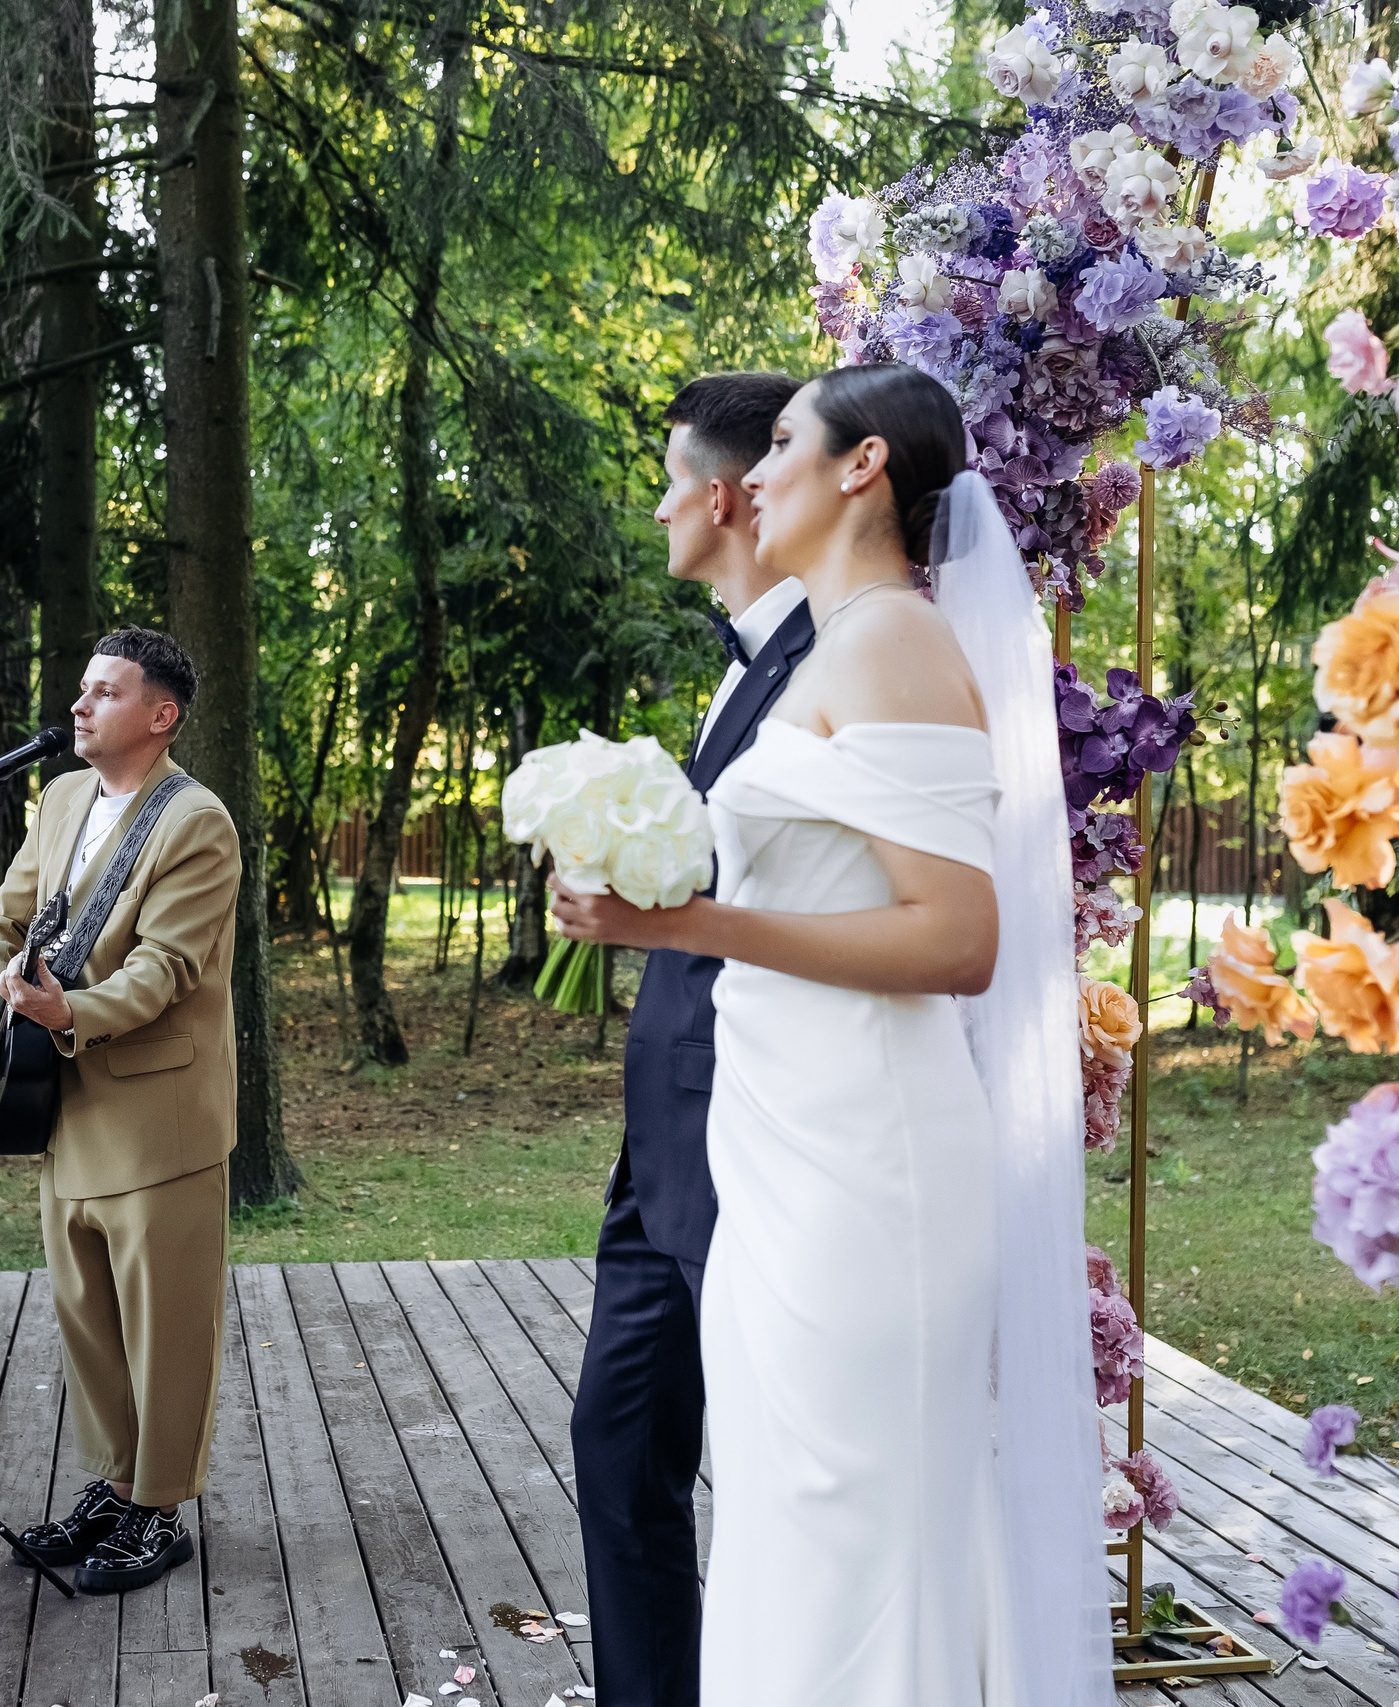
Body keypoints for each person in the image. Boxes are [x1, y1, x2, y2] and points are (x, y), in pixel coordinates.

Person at [552, 365, 1110, 1704]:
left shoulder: (899, 640)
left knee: (844, 1524)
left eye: (788, 441)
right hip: (788, 1140)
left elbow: (957, 940)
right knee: (789, 1528)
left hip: (871, 1164)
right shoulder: (854, 639)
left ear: (861, 468)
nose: (759, 475)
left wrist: (689, 930)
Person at [565, 370, 810, 1707]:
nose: (658, 506)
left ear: (718, 495)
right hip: (659, 1143)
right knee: (617, 1448)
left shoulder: (827, 659)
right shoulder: (739, 668)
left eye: (668, 480)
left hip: (743, 1138)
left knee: (755, 1463)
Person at [0, 627, 240, 1596]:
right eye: (82, 690)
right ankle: (119, 1487)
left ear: (160, 716)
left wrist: (67, 1010)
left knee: (166, 1325)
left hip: (158, 1114)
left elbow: (167, 969)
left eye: (104, 693)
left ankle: (159, 1513)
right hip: (58, 1102)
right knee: (90, 1319)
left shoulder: (195, 823)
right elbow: (5, 918)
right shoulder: (62, 796)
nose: (78, 707)